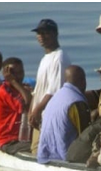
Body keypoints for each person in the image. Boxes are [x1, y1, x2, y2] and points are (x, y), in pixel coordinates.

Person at [28, 18, 72, 155]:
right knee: (37, 150)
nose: (41, 36)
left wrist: (37, 110)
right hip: (40, 115)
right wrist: (32, 111)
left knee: (39, 152)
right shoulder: (46, 58)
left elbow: (54, 91)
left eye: (45, 33)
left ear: (55, 34)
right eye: (39, 33)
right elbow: (39, 91)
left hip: (49, 117)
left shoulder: (59, 58)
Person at [37, 65, 90, 164]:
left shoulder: (56, 97)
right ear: (83, 81)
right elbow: (85, 137)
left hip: (45, 156)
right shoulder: (77, 102)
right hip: (64, 158)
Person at [0, 57, 32, 155]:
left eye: (21, 72)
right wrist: (14, 82)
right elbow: (27, 102)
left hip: (22, 137)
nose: (19, 76)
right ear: (7, 75)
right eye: (14, 73)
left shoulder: (21, 87)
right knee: (37, 146)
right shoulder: (4, 91)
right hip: (9, 140)